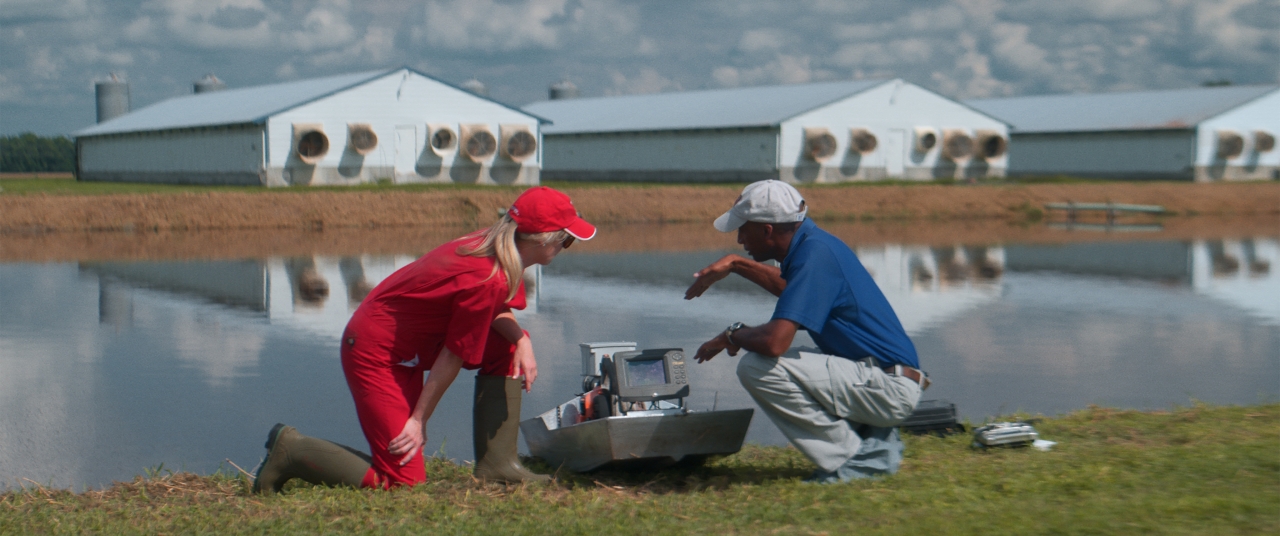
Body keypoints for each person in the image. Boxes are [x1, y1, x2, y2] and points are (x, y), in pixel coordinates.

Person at [252, 186, 596, 493]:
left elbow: (497, 309)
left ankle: (498, 467)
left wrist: (521, 339)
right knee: (403, 483)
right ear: (541, 239)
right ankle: (291, 450)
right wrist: (418, 421)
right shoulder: (487, 276)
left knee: (507, 344)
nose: (566, 247)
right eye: (566, 239)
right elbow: (454, 354)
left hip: (411, 348)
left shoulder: (500, 248)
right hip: (375, 353)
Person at [684, 180, 927, 484]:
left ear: (767, 230)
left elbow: (774, 343)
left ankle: (860, 461)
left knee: (758, 366)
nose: (739, 238)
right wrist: (737, 265)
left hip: (889, 389)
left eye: (743, 229)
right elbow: (791, 289)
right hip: (886, 379)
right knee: (772, 361)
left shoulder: (814, 257)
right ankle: (872, 439)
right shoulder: (814, 245)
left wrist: (732, 335)